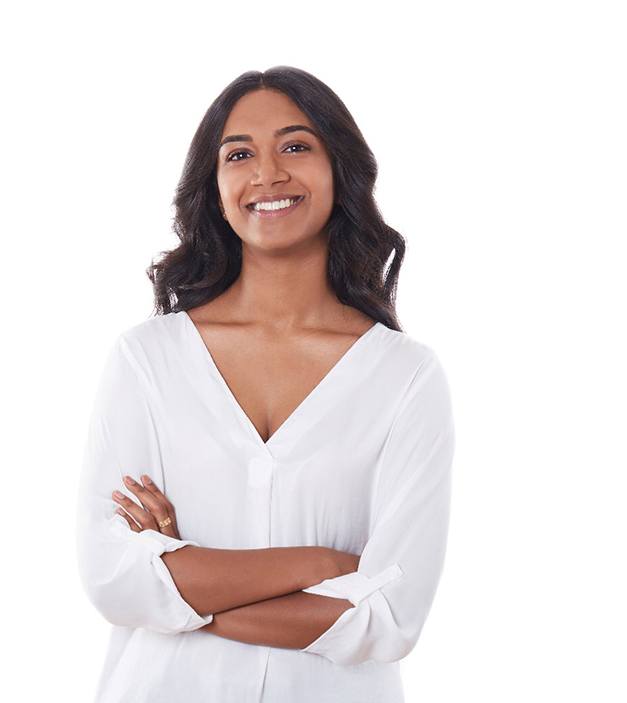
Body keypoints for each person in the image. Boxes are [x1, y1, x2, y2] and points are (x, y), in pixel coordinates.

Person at [75, 65, 456, 703]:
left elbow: (388, 618)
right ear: (215, 185)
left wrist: (181, 582)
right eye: (240, 154)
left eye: (296, 146)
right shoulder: (146, 361)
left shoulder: (405, 378)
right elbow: (113, 581)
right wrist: (320, 566)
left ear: (342, 170)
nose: (267, 173)